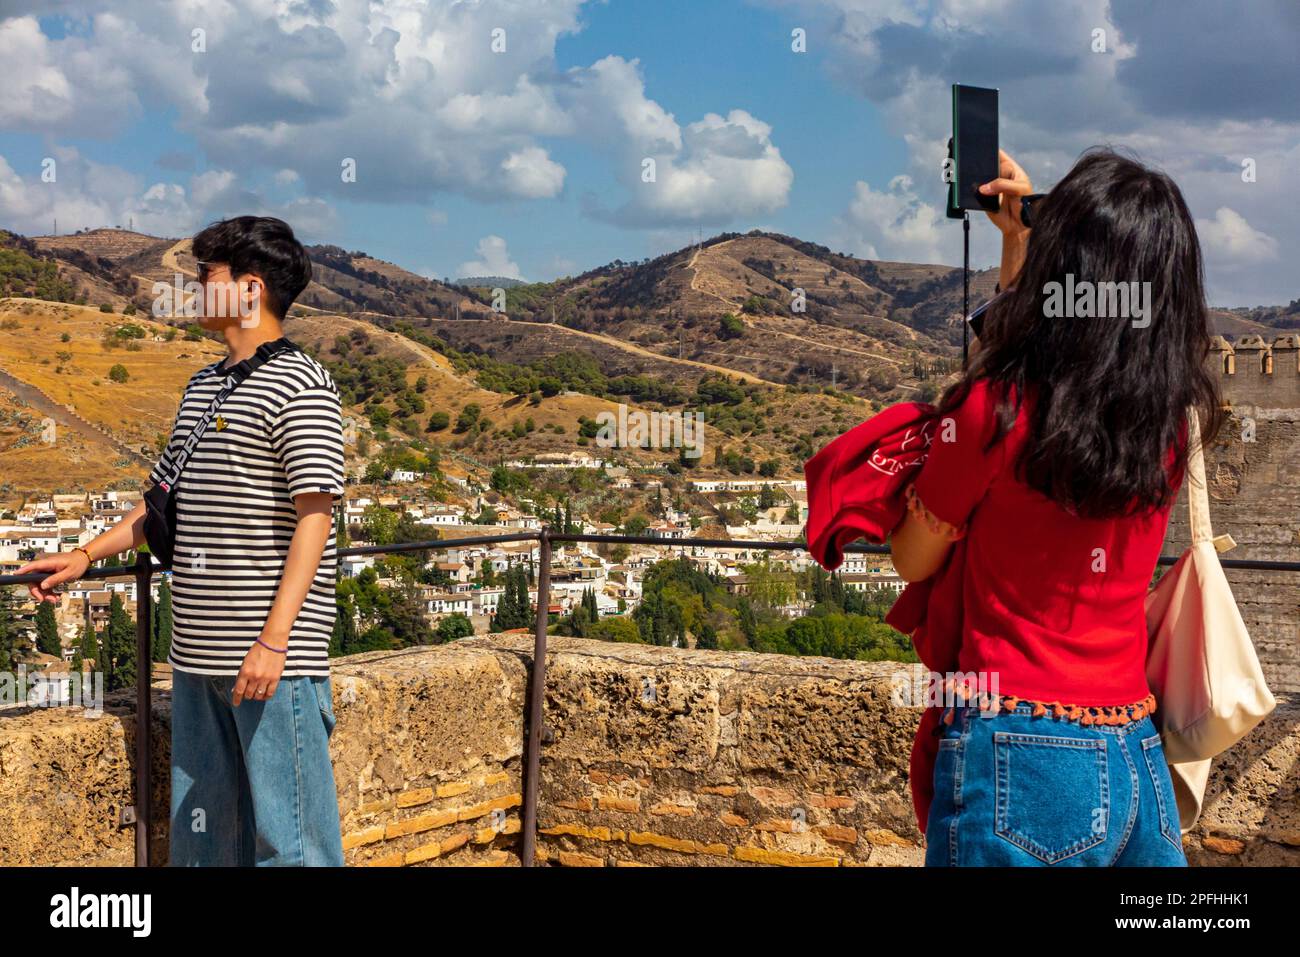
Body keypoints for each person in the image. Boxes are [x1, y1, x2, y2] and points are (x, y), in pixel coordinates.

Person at [889, 148, 1223, 866]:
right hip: (1135, 749)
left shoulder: (992, 411)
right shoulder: (1167, 424)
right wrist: (1016, 241)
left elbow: (912, 557)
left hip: (1019, 750)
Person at [19, 216, 347, 866]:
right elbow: (159, 505)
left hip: (270, 662)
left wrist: (274, 642)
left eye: (207, 276)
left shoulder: (303, 385)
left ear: (249, 289)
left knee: (294, 845)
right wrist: (85, 554)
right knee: (205, 845)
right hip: (195, 658)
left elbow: (316, 516)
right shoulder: (203, 385)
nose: (195, 289)